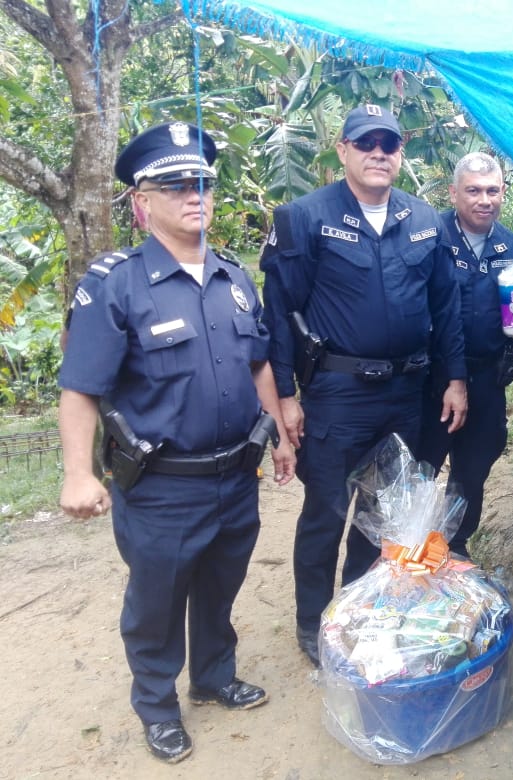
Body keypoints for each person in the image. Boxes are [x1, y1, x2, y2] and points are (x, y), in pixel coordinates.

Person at [58, 122, 296, 764]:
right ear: (142, 201)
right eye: (175, 186)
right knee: (157, 603)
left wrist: (278, 436)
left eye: (203, 183)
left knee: (221, 585)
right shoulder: (116, 283)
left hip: (236, 477)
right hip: (163, 486)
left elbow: (259, 365)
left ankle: (214, 676)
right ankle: (157, 705)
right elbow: (81, 388)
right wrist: (78, 473)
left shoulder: (234, 278)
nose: (195, 195)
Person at [259, 104, 467, 667]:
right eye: (366, 143)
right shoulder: (304, 217)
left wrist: (455, 379)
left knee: (384, 513)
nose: (378, 153)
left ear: (400, 153)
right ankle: (312, 623)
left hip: (405, 394)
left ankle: (357, 606)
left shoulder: (424, 219)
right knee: (326, 512)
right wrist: (285, 397)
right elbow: (278, 313)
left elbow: (446, 308)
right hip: (337, 393)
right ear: (343, 150)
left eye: (389, 144)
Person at [417, 152, 513, 557]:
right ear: (453, 193)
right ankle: (403, 549)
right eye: (473, 190)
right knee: (420, 469)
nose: (484, 200)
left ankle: (454, 550)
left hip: (487, 379)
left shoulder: (512, 247)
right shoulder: (429, 236)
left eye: (492, 191)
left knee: (472, 471)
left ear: (503, 192)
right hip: (434, 380)